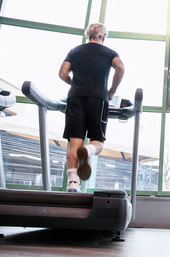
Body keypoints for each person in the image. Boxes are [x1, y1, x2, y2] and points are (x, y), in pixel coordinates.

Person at [59, 23, 124, 192]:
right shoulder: (110, 53)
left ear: (88, 35)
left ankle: (73, 184)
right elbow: (120, 67)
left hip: (75, 97)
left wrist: (74, 84)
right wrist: (111, 91)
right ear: (103, 37)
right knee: (98, 142)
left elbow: (62, 73)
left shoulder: (75, 51)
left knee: (74, 141)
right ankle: (88, 150)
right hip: (99, 99)